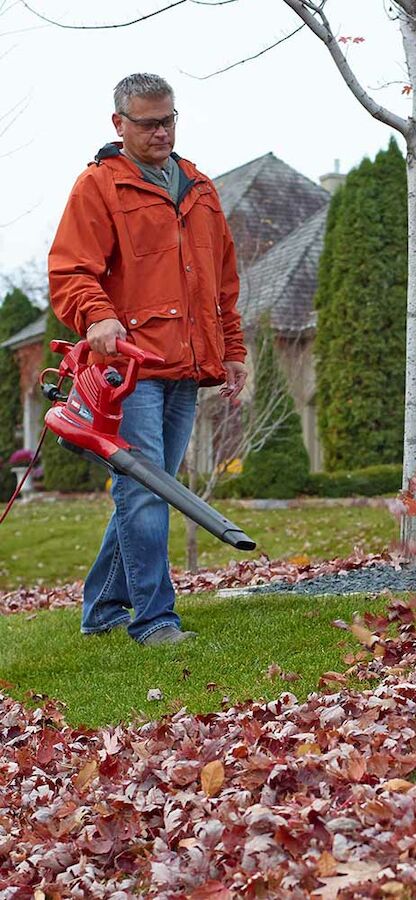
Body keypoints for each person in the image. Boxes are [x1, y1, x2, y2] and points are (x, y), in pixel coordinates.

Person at [48, 73, 247, 646]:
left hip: (186, 367)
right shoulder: (99, 187)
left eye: (169, 120)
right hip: (127, 368)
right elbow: (70, 271)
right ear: (119, 124)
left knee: (152, 488)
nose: (161, 131)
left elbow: (223, 285)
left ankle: (103, 608)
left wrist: (232, 351)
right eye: (148, 122)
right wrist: (97, 316)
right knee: (142, 490)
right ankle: (154, 619)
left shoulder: (201, 190)